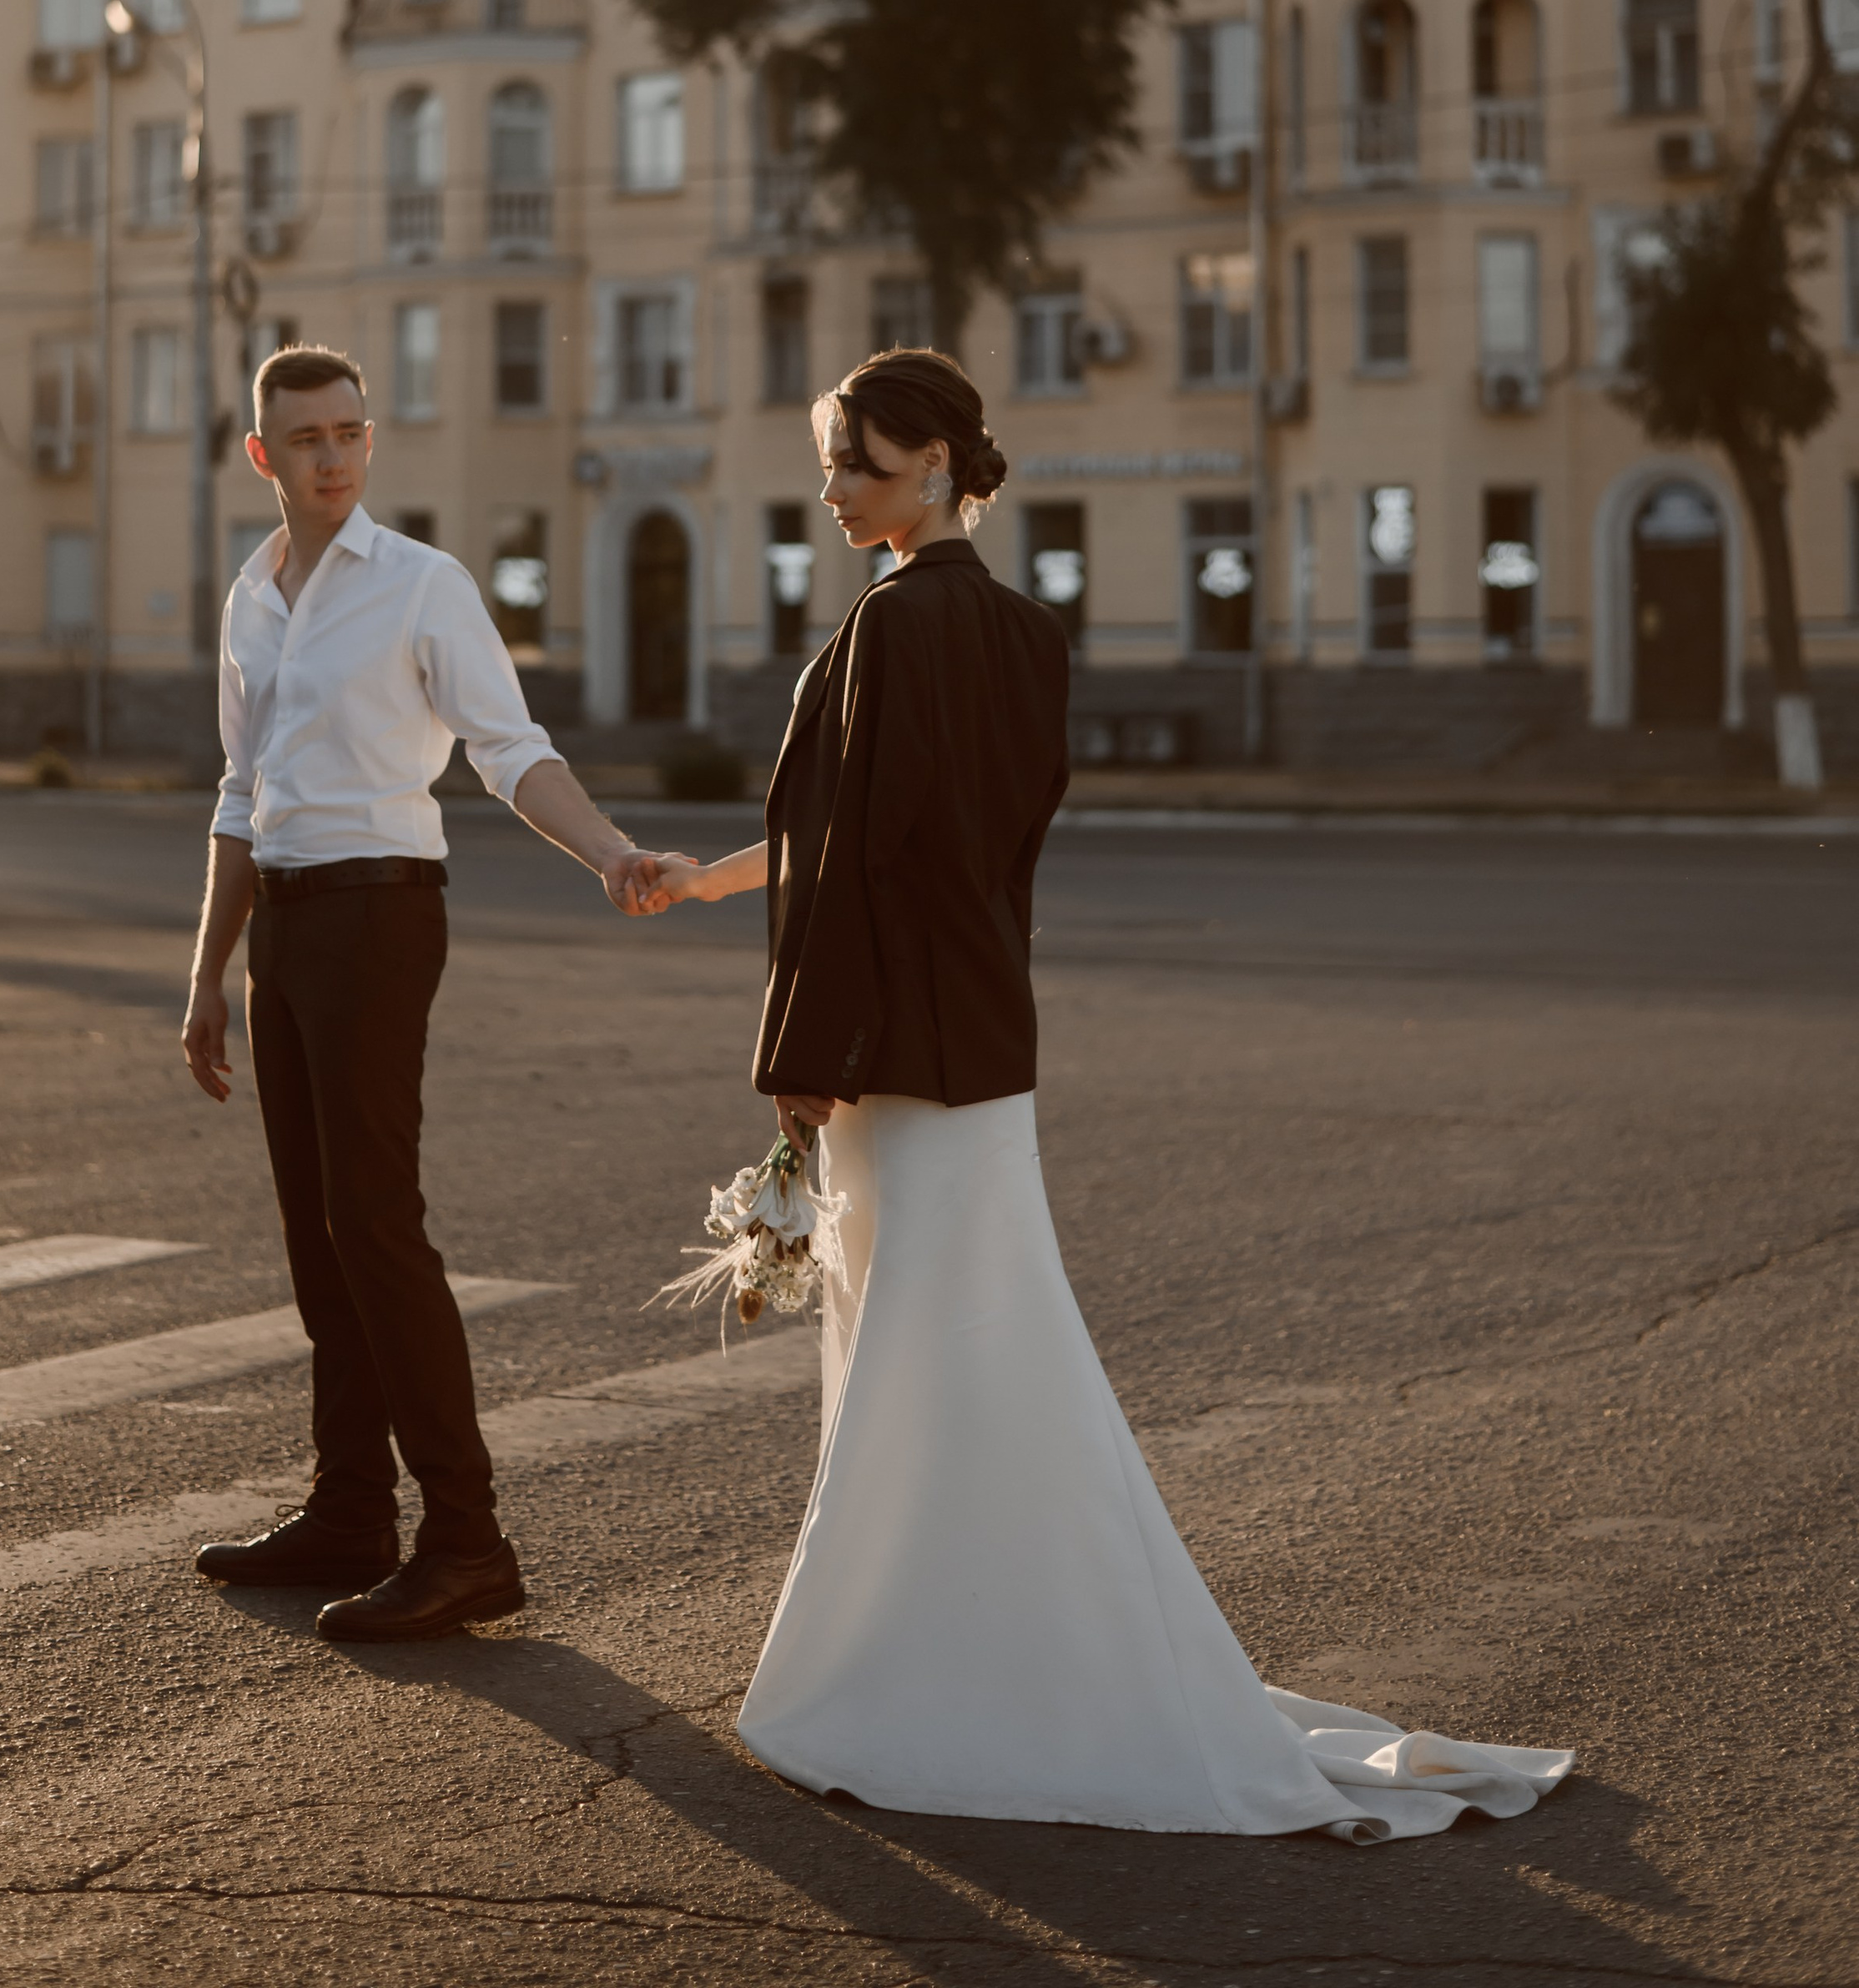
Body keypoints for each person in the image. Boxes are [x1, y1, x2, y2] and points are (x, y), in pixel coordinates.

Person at [647, 347, 1573, 1840]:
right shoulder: (1023, 634)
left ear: (940, 468)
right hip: (981, 1051)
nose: (835, 491)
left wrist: (802, 1071)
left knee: (918, 1367)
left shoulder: (895, 628)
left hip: (895, 1063)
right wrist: (717, 882)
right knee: (981, 1357)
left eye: (862, 467)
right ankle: (1019, 1657)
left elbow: (873, 862)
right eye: (831, 462)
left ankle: (917, 1677)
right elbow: (910, 842)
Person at [182, 345, 674, 1643]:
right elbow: (240, 797)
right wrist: (208, 977)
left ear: (370, 439)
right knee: (318, 1236)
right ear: (262, 456)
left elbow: (512, 750)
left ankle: (468, 1539)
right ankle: (351, 1511)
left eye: (350, 432)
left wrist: (613, 852)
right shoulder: (251, 597)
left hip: (380, 915)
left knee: (376, 1227)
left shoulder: (421, 586)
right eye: (306, 439)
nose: (333, 456)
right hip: (283, 928)